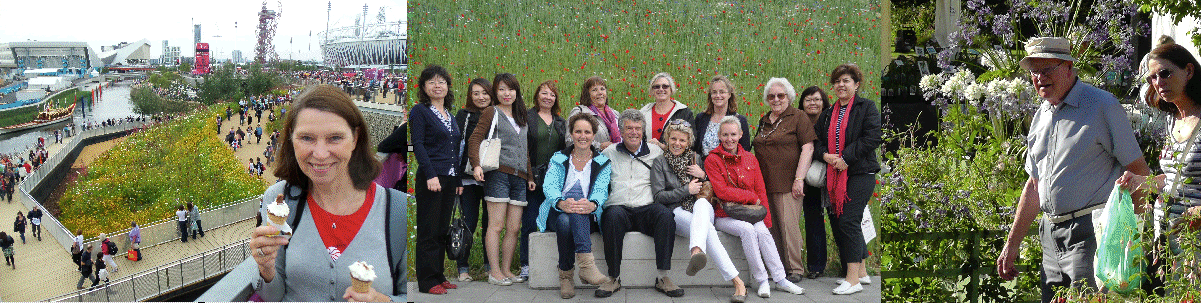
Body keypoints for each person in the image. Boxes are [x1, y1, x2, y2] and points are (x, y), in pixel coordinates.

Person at [996, 37, 1152, 302]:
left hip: (1090, 233)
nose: (1039, 78)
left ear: (1068, 67)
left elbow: (1140, 174)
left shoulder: (1102, 105)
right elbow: (1034, 185)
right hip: (1049, 236)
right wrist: (1012, 244)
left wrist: (1133, 239)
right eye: (1034, 71)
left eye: (1047, 69)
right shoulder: (1042, 114)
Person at [249, 83, 405, 301]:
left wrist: (382, 300)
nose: (320, 154)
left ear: (355, 138)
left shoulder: (398, 211)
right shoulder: (281, 200)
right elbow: (273, 297)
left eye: (335, 138)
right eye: (306, 138)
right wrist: (266, 270)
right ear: (292, 139)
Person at [1115, 42, 1201, 292]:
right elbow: (1174, 176)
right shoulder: (1172, 121)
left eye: (1165, 73)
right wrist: (1140, 181)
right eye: (1153, 77)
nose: (1158, 82)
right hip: (1166, 241)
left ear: (1189, 71)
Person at [706, 116, 807, 298]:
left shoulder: (750, 158)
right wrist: (751, 197)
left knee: (762, 231)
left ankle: (781, 279)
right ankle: (761, 280)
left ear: (741, 134)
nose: (730, 139)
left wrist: (766, 219)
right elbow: (722, 192)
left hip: (751, 213)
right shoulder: (713, 160)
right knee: (748, 230)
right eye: (726, 135)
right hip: (725, 214)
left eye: (734, 134)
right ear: (719, 136)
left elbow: (760, 189)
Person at [652, 119, 748, 301]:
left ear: (688, 142)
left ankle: (696, 251)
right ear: (667, 138)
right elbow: (658, 197)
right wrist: (685, 191)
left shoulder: (697, 159)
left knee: (702, 205)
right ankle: (737, 282)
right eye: (673, 139)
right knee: (708, 231)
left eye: (682, 140)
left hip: (702, 209)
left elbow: (715, 188)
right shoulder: (660, 163)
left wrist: (703, 175)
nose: (677, 144)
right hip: (677, 212)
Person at [813, 63, 883, 295]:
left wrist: (845, 158)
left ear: (856, 84)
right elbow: (818, 142)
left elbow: (872, 137)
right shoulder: (827, 114)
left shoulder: (867, 107)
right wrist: (825, 155)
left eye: (846, 81)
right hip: (837, 175)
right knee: (848, 220)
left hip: (860, 173)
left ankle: (851, 280)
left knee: (848, 222)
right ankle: (861, 272)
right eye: (837, 81)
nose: (841, 85)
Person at [597, 109, 680, 298]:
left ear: (643, 131)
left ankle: (662, 277)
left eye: (638, 128)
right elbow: (597, 179)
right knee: (611, 216)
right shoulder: (610, 152)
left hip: (646, 207)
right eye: (629, 128)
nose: (634, 132)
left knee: (666, 216)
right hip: (619, 206)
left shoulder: (656, 151)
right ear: (621, 131)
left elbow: (677, 162)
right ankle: (614, 278)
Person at [535, 113, 612, 299]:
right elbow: (549, 186)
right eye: (578, 131)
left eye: (587, 132)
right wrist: (561, 202)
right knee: (563, 219)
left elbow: (602, 189)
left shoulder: (602, 162)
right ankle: (586, 267)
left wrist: (592, 204)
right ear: (571, 134)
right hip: (556, 209)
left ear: (594, 135)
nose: (582, 136)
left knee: (569, 218)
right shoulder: (559, 158)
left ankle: (566, 276)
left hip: (588, 214)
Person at [468, 73, 534, 286]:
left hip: (520, 177)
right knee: (496, 226)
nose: (507, 93)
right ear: (496, 92)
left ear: (517, 92)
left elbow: (525, 150)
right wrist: (477, 164)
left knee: (514, 227)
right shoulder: (491, 112)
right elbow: (475, 138)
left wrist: (530, 176)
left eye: (511, 89)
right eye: (502, 89)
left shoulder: (521, 116)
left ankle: (506, 269)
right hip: (498, 174)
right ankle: (494, 271)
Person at [751, 77, 818, 283]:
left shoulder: (798, 117)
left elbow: (808, 148)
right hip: (765, 183)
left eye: (780, 95)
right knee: (772, 228)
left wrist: (799, 178)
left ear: (789, 96)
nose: (776, 99)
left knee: (789, 227)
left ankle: (795, 269)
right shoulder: (764, 120)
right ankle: (778, 268)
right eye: (771, 96)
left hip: (789, 182)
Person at [409, 65, 463, 295]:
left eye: (441, 81)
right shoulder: (420, 111)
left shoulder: (450, 115)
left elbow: (456, 150)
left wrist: (458, 180)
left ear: (448, 86)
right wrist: (430, 174)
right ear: (424, 87)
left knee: (442, 229)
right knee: (429, 230)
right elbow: (418, 145)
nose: (437, 85)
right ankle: (427, 281)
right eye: (431, 81)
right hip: (432, 178)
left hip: (450, 178)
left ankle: (439, 274)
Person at [521, 80, 568, 281]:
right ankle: (525, 264)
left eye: (552, 94)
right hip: (532, 179)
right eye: (544, 93)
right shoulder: (527, 118)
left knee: (552, 221)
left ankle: (549, 264)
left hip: (554, 180)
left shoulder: (560, 121)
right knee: (530, 221)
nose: (548, 97)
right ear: (537, 95)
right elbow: (523, 148)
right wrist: (529, 175)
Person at [453, 78, 492, 282]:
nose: (480, 97)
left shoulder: (497, 114)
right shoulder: (464, 115)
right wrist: (457, 179)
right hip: (467, 179)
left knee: (490, 224)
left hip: (492, 178)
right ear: (470, 95)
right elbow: (455, 147)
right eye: (476, 93)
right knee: (467, 223)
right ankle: (462, 267)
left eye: (484, 92)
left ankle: (489, 266)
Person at [798, 86, 832, 279]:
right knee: (813, 220)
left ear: (824, 102)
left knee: (837, 219)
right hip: (808, 177)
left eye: (817, 99)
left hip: (831, 175)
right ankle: (816, 266)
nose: (813, 103)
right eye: (808, 100)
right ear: (802, 103)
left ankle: (849, 265)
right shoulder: (798, 121)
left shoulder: (831, 119)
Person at [693, 75, 751, 155]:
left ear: (729, 94)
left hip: (728, 166)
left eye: (722, 92)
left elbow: (745, 152)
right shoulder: (701, 118)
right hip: (702, 165)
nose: (718, 96)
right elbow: (694, 147)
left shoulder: (740, 120)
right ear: (710, 95)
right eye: (714, 92)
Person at [640, 72, 694, 151]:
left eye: (665, 86)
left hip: (675, 160)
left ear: (671, 90)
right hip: (648, 159)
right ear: (652, 91)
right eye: (657, 87)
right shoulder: (643, 113)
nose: (661, 89)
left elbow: (692, 142)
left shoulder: (684, 112)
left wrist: (662, 146)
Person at [568, 76, 623, 150]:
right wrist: (599, 146)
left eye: (602, 89)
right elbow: (570, 141)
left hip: (617, 158)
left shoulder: (616, 114)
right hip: (593, 159)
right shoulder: (580, 112)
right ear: (587, 94)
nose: (600, 93)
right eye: (594, 90)